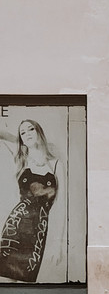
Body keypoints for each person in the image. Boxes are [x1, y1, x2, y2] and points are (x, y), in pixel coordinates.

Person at [0, 119, 60, 284]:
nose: (27, 134)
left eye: (30, 129)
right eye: (23, 132)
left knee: (26, 286)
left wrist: (58, 244)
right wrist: (20, 140)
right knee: (5, 282)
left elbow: (60, 208)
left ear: (39, 131)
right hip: (15, 226)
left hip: (38, 230)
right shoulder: (21, 158)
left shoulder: (55, 164)